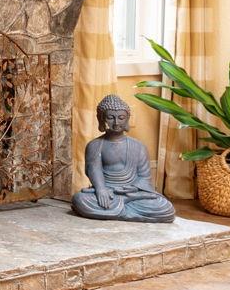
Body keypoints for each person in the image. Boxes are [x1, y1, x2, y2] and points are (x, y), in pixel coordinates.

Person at [70, 95, 175, 223]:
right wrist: (101, 189)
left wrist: (134, 189)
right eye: (110, 117)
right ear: (102, 118)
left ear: (127, 119)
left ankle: (116, 210)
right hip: (107, 192)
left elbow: (144, 177)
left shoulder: (138, 146)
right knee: (79, 199)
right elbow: (93, 170)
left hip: (132, 194)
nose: (116, 122)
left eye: (121, 118)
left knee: (165, 207)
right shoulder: (95, 145)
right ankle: (124, 211)